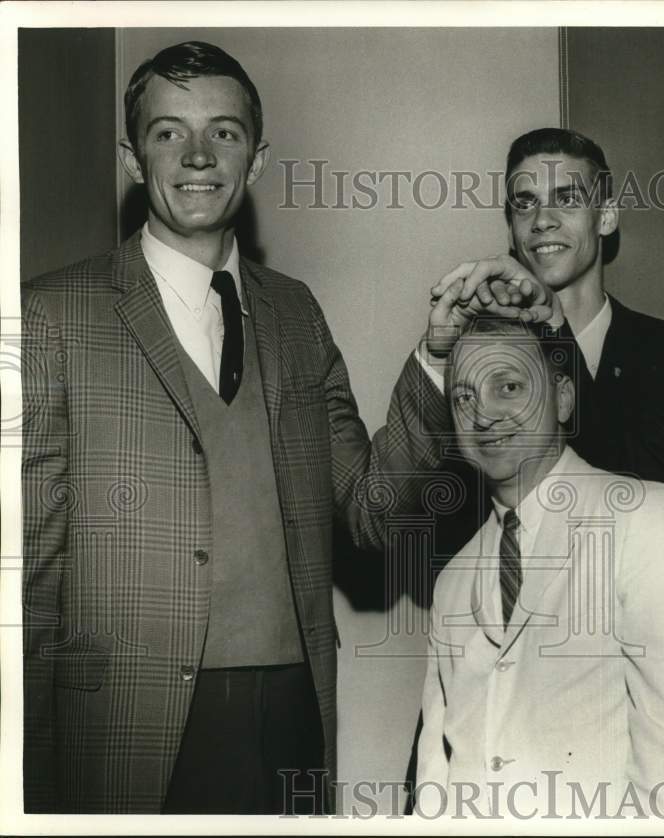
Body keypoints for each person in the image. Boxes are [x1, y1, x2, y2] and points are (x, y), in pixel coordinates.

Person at [19, 40, 541, 815]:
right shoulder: (53, 316)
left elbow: (372, 512)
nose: (198, 155)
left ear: (256, 160)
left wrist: (436, 358)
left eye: (223, 132)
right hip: (125, 734)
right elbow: (27, 576)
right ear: (132, 159)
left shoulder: (295, 313)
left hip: (291, 712)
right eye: (168, 133)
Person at [415, 317, 664, 818]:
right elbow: (435, 781)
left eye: (509, 386)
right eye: (464, 396)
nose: (483, 414)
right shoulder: (453, 581)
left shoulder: (650, 519)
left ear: (563, 398)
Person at [432, 127, 664, 485]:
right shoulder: (478, 364)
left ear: (607, 217)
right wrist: (436, 352)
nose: (542, 220)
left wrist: (556, 325)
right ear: (510, 230)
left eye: (567, 200)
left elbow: (635, 492)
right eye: (525, 204)